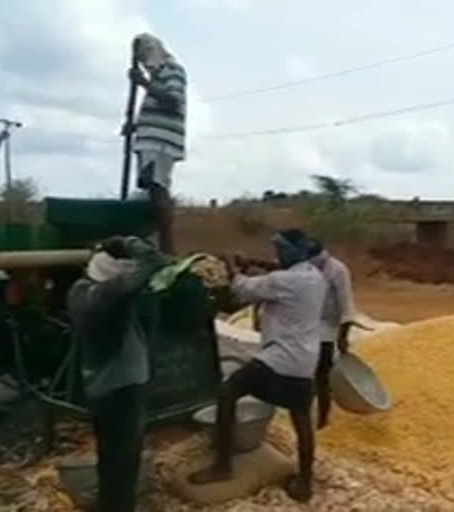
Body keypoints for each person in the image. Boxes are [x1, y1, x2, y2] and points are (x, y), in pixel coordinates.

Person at [189, 229, 327, 503]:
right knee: (301, 419)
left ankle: (222, 466)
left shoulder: (284, 281)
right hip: (304, 359)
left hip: (279, 357)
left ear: (292, 253)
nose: (276, 255)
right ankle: (305, 482)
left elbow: (240, 289)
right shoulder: (314, 276)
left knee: (227, 393)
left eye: (280, 250)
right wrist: (256, 263)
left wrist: (228, 268)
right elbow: (279, 272)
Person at [67, 236, 168, 512]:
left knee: (111, 454)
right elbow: (155, 262)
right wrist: (131, 242)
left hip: (103, 385)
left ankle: (109, 502)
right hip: (120, 388)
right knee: (123, 460)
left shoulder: (81, 290)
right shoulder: (104, 298)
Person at [126, 33, 186, 255]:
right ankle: (157, 247)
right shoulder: (158, 75)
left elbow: (173, 101)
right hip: (149, 138)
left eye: (145, 57)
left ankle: (168, 252)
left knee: (159, 190)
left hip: (160, 141)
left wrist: (143, 84)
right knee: (151, 192)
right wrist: (135, 127)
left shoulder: (173, 70)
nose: (144, 63)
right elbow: (155, 109)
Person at [307, 239, 357, 430]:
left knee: (321, 376)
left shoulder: (337, 270)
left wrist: (343, 336)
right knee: (305, 373)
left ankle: (322, 419)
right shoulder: (306, 268)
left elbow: (346, 306)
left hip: (327, 328)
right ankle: (306, 410)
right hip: (307, 326)